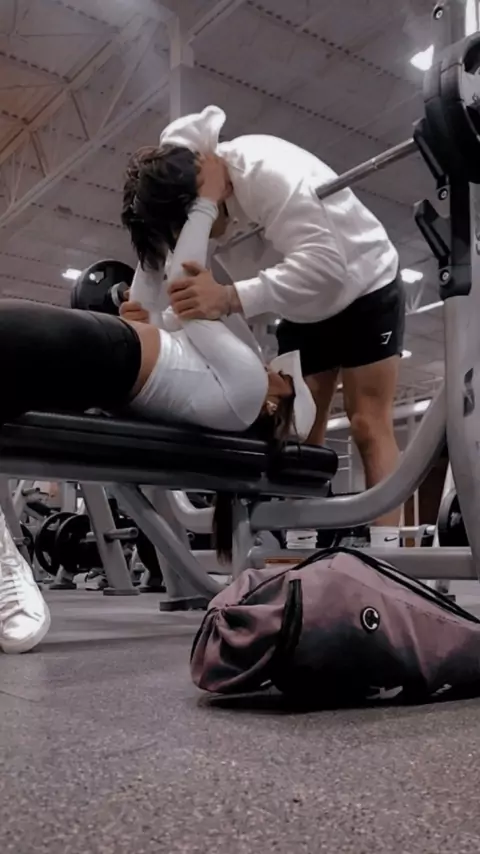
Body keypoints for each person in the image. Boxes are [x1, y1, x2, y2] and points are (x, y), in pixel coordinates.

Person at [0, 155, 314, 652]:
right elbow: (167, 300)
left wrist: (206, 202)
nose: (274, 366)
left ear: (276, 404)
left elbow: (185, 282)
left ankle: (5, 567)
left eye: (283, 378)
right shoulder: (234, 392)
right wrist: (150, 248)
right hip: (103, 367)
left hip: (106, 355)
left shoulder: (248, 389)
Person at [125, 105, 405, 547]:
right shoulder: (193, 193)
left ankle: (391, 559)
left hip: (364, 284)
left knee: (367, 423)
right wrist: (140, 315)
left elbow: (327, 268)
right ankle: (299, 551)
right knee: (299, 432)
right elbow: (164, 272)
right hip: (301, 306)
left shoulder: (266, 172)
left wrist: (229, 297)